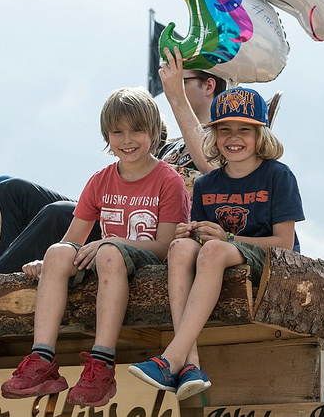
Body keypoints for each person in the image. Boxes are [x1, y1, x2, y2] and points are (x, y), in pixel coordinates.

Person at [0, 46, 225, 280]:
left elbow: (211, 167)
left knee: (58, 214)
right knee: (8, 188)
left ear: (208, 85)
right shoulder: (170, 143)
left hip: (142, 233)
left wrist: (175, 95)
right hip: (114, 210)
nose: (168, 84)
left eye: (178, 78)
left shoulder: (224, 138)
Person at [0, 86, 191, 406]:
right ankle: (42, 360)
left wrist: (110, 241)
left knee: (108, 252)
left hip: (143, 265)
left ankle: (102, 364)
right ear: (106, 135)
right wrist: (48, 265)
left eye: (136, 130)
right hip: (107, 258)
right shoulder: (100, 180)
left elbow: (166, 246)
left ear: (155, 131)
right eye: (117, 132)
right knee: (57, 252)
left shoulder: (169, 180)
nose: (127, 140)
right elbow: (72, 240)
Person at [128, 87, 304, 400]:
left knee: (213, 250)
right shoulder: (207, 184)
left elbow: (284, 243)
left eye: (244, 130)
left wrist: (228, 238)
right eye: (224, 129)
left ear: (260, 133)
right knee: (180, 249)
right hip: (220, 253)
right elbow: (204, 238)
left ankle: (171, 358)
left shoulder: (278, 176)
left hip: (271, 260)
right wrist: (191, 233)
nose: (233, 137)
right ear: (214, 134)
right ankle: (190, 365)